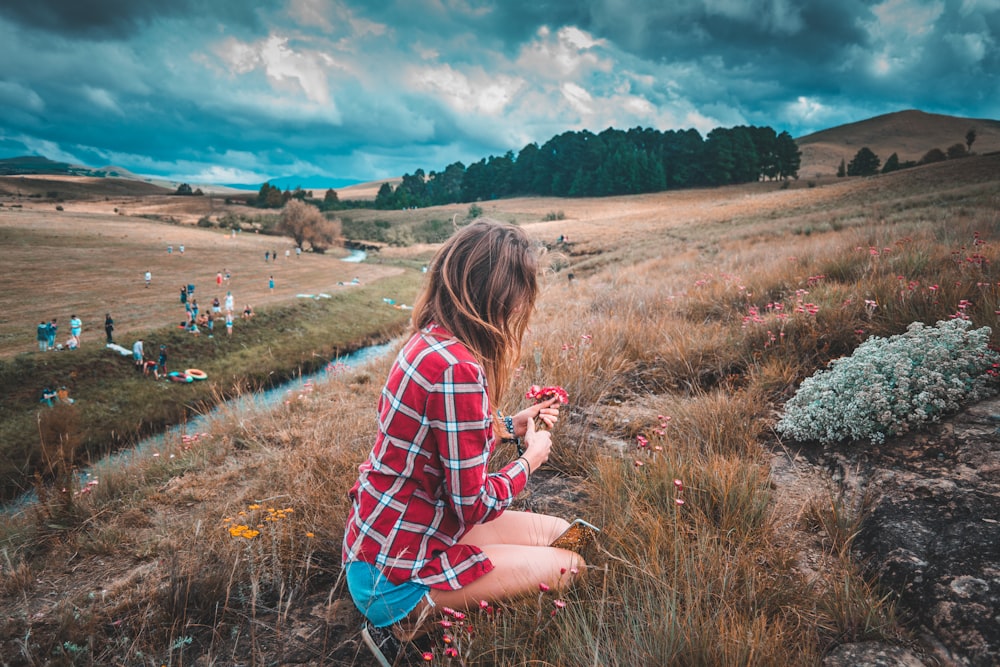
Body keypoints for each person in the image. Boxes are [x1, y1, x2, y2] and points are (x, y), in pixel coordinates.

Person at [342, 220, 583, 664]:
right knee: (573, 567)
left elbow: (442, 442)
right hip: (396, 578)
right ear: (499, 298)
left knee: (565, 536)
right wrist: (530, 459)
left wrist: (510, 426)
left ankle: (439, 597)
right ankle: (403, 628)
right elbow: (470, 503)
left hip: (383, 545)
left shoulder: (429, 342)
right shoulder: (458, 368)